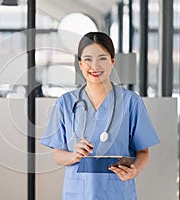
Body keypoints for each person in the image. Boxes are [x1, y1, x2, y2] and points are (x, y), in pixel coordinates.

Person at [40, 32, 160, 200]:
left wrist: (135, 170)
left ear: (112, 61)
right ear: (80, 64)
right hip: (78, 193)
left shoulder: (130, 102)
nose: (95, 66)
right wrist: (73, 155)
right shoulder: (65, 103)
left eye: (102, 58)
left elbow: (143, 152)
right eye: (88, 59)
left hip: (118, 192)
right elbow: (57, 155)